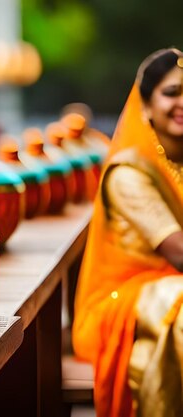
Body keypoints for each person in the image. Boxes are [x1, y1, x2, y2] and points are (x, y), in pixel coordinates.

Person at [73, 48, 183, 417]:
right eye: (171, 92)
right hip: (121, 307)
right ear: (146, 106)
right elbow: (179, 253)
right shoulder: (129, 173)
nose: (182, 102)